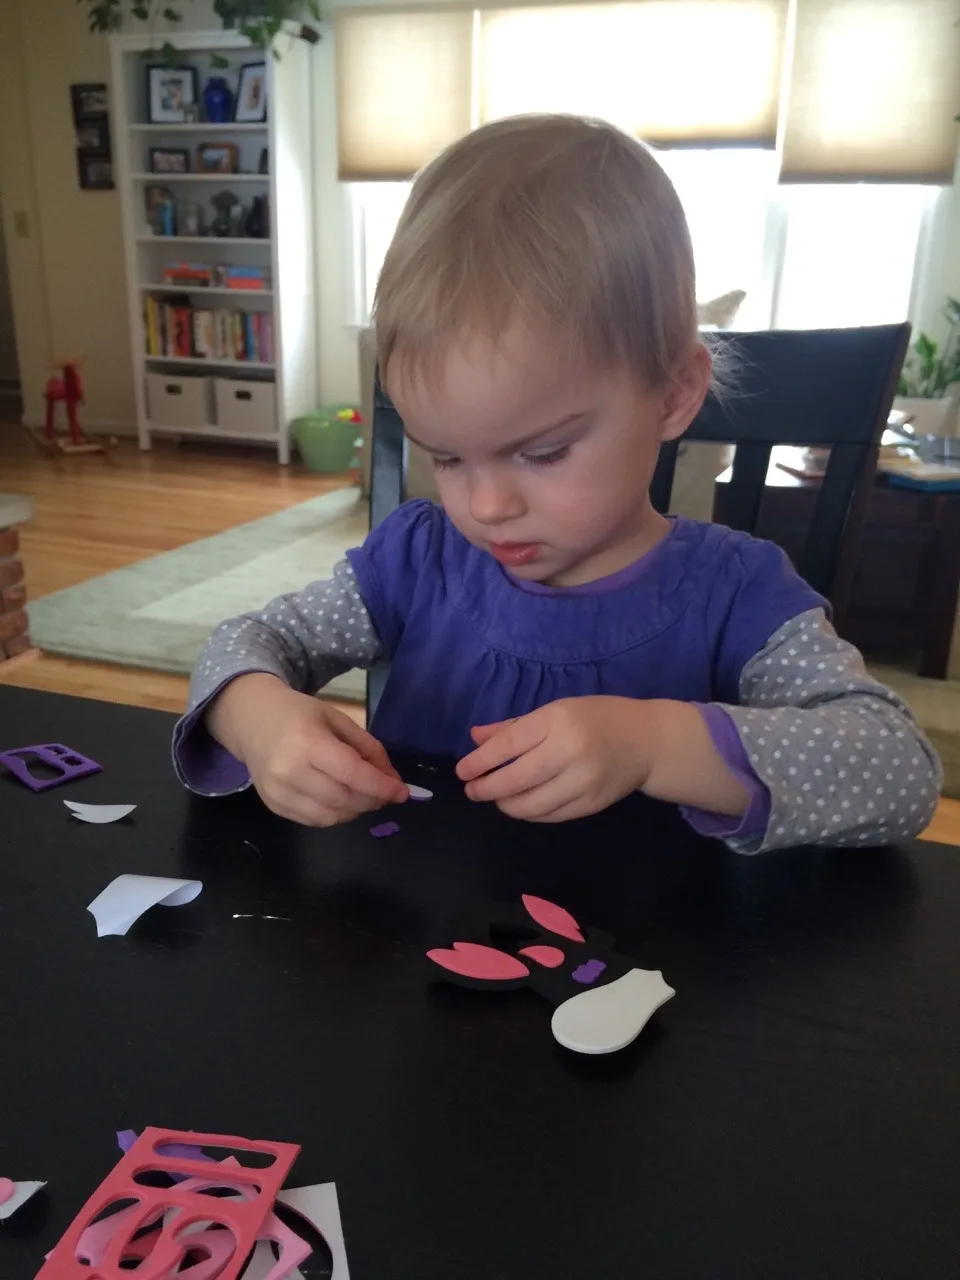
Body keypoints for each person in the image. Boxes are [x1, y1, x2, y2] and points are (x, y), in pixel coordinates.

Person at [173, 115, 941, 854]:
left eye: (543, 454)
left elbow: (900, 771)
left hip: (658, 967)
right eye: (445, 458)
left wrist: (651, 744)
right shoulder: (415, 560)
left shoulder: (739, 592)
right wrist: (260, 719)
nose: (485, 505)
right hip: (416, 949)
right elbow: (244, 643)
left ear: (674, 393)